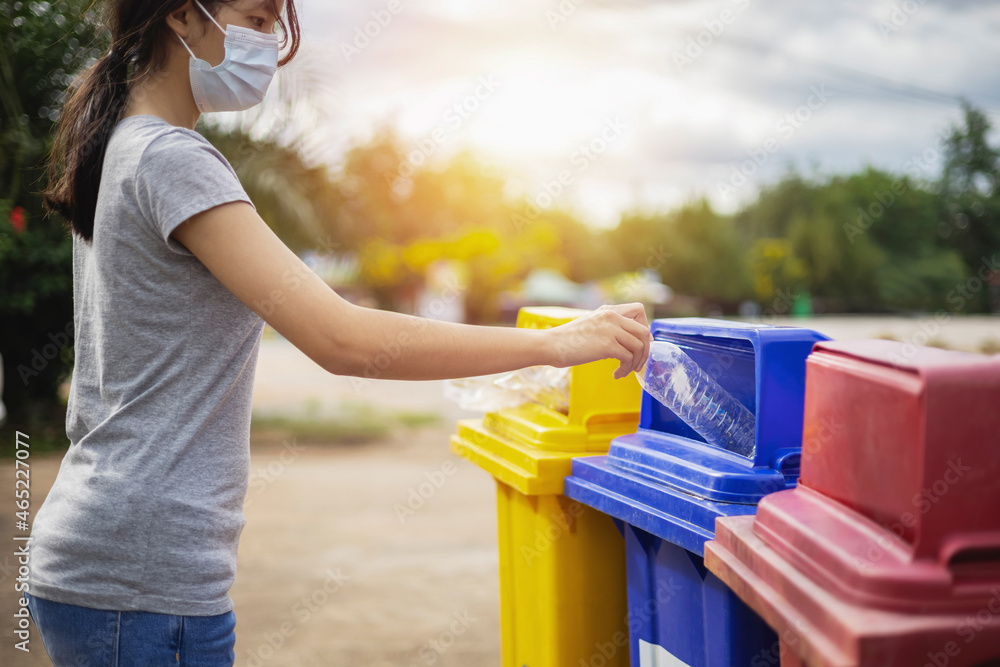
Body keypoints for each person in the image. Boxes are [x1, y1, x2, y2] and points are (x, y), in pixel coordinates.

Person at [25, 1, 652, 664]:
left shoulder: (124, 145)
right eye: (260, 19)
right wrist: (553, 344)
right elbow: (342, 338)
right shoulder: (170, 158)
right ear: (183, 15)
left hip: (107, 558)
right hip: (142, 583)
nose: (270, 44)